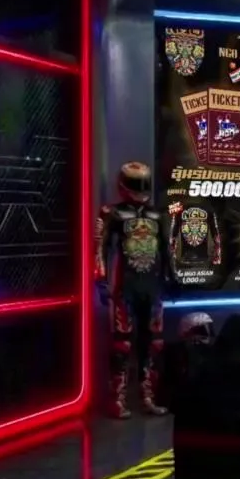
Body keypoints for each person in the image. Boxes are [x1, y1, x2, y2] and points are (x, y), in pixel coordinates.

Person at [94, 162, 172, 419]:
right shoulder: (112, 214)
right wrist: (101, 280)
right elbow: (99, 248)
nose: (140, 189)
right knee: (122, 344)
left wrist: (171, 277)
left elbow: (167, 249)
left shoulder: (158, 215)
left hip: (152, 287)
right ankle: (117, 399)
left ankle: (148, 396)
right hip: (124, 288)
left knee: (154, 342)